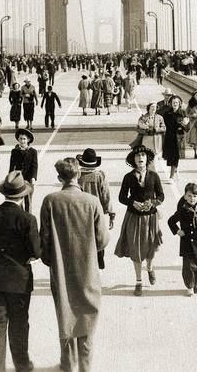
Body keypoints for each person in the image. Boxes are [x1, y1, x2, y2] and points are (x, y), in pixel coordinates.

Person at [40, 158, 110, 372]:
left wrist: (50, 260)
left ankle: (68, 363)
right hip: (87, 267)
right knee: (87, 313)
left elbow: (44, 239)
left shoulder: (50, 201)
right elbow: (102, 239)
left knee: (65, 312)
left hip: (61, 268)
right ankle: (85, 366)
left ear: (60, 177)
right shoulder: (92, 202)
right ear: (78, 175)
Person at [0, 170, 40, 372]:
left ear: (4, 192)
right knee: (19, 324)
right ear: (23, 195)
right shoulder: (27, 219)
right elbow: (36, 252)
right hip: (19, 281)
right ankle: (22, 365)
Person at [114, 145, 164, 296]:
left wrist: (153, 203)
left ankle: (149, 268)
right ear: (133, 160)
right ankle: (138, 281)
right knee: (135, 248)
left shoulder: (154, 176)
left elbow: (161, 195)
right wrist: (132, 202)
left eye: (143, 155)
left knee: (150, 248)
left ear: (147, 159)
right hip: (134, 217)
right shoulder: (128, 177)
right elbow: (122, 197)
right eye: (137, 156)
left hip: (150, 218)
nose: (140, 158)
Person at [167, 182, 197, 296]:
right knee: (188, 266)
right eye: (189, 196)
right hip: (187, 242)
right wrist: (178, 231)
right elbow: (171, 221)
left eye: (195, 196)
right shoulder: (183, 210)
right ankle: (190, 285)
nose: (192, 198)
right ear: (185, 196)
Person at [76, 148, 115, 269]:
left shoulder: (77, 176)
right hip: (97, 213)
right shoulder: (100, 175)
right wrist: (111, 214)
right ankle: (99, 264)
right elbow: (106, 195)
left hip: (81, 213)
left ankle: (85, 266)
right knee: (99, 238)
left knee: (83, 240)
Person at [9, 129, 38, 213]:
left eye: (24, 139)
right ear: (18, 139)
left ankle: (28, 215)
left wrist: (33, 177)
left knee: (28, 199)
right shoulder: (14, 151)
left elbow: (34, 165)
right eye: (20, 139)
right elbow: (11, 166)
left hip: (28, 179)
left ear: (28, 140)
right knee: (18, 199)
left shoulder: (33, 151)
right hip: (18, 179)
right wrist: (10, 178)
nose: (22, 141)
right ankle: (21, 215)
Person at [160, 94, 188, 180]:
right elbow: (162, 124)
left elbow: (187, 128)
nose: (175, 104)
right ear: (171, 103)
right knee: (170, 156)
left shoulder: (183, 113)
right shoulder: (167, 113)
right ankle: (175, 171)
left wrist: (183, 125)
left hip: (179, 137)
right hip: (169, 137)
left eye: (176, 102)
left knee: (176, 156)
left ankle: (171, 176)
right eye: (173, 102)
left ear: (179, 104)